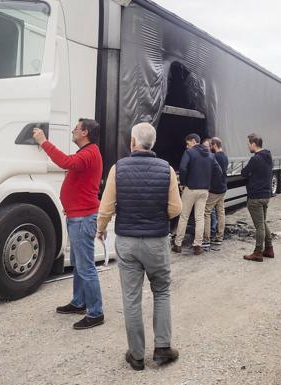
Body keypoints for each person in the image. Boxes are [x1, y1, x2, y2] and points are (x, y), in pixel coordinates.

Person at [97, 122, 181, 370]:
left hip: (128, 242)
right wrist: (156, 216)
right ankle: (163, 348)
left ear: (132, 142)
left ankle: (135, 355)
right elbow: (176, 208)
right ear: (152, 143)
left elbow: (106, 207)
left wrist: (100, 230)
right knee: (162, 291)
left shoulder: (118, 168)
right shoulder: (167, 169)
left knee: (131, 298)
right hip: (156, 241)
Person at [33, 119, 104, 329]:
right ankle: (79, 302)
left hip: (83, 218)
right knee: (79, 264)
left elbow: (65, 162)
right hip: (78, 217)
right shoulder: (89, 153)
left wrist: (43, 142)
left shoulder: (89, 153)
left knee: (86, 267)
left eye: (76, 127)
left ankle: (95, 312)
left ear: (85, 132)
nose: (73, 130)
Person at [172, 134, 221, 255]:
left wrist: (183, 183)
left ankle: (178, 244)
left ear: (194, 141)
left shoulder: (189, 153)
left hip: (191, 189)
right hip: (204, 190)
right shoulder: (210, 154)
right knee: (200, 218)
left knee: (184, 217)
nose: (187, 146)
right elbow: (218, 171)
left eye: (188, 144)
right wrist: (209, 183)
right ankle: (197, 246)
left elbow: (183, 168)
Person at [241, 133, 274, 262]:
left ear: (254, 144)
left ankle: (258, 252)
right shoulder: (268, 156)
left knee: (259, 225)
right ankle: (269, 249)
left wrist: (250, 174)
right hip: (266, 195)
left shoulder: (255, 159)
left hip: (255, 196)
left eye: (248, 144)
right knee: (263, 222)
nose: (248, 147)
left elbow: (244, 173)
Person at [203, 137, 229, 249]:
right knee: (221, 212)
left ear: (214, 145)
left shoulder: (214, 157)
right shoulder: (225, 156)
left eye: (211, 145)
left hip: (214, 189)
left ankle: (206, 239)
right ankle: (219, 237)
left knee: (206, 212)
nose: (210, 147)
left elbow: (211, 172)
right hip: (223, 188)